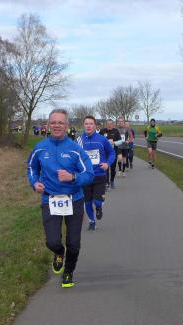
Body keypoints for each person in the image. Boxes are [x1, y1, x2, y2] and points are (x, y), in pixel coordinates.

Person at [27, 109, 95, 288]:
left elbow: (89, 174)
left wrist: (72, 177)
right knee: (52, 242)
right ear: (49, 125)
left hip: (74, 200)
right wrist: (34, 183)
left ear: (67, 125)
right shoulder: (40, 147)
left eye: (60, 122)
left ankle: (68, 272)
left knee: (74, 244)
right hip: (50, 200)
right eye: (53, 122)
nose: (57, 125)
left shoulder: (75, 149)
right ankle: (58, 252)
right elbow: (32, 168)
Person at [77, 115, 115, 231]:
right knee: (87, 203)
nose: (88, 126)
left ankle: (99, 207)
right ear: (83, 125)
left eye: (91, 124)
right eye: (86, 124)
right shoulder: (78, 141)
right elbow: (74, 157)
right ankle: (92, 222)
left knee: (97, 201)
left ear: (95, 126)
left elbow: (112, 153)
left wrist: (107, 164)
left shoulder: (102, 139)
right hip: (85, 176)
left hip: (99, 175)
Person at [102, 119, 122, 188]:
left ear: (113, 125)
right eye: (108, 124)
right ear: (106, 124)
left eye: (110, 124)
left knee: (113, 168)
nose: (109, 125)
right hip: (104, 152)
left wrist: (114, 142)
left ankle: (112, 180)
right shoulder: (102, 131)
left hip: (113, 152)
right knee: (106, 167)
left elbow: (120, 141)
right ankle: (106, 183)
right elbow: (98, 140)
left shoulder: (116, 131)